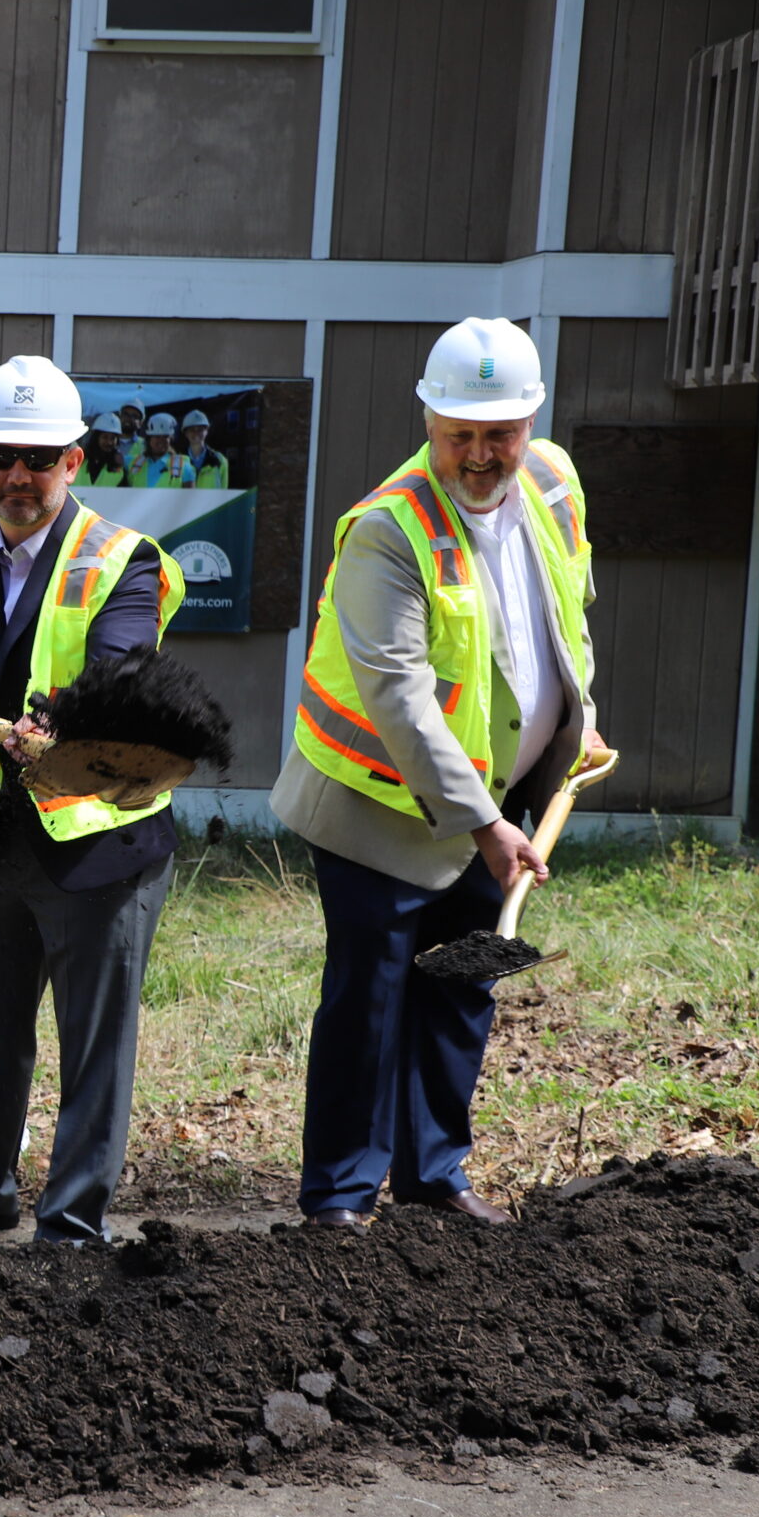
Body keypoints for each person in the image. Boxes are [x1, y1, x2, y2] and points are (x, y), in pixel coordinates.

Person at [276, 317, 607, 1231]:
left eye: (497, 434)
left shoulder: (551, 484)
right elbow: (399, 696)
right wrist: (483, 825)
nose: (478, 455)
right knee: (371, 998)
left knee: (462, 983)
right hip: (376, 806)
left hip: (495, 804)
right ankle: (341, 1198)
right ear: (427, 420)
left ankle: (434, 1179)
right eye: (459, 434)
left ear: (531, 423)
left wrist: (577, 718)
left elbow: (569, 606)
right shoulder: (386, 531)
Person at [0, 355, 185, 1244]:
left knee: (94, 1045)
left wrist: (45, 722)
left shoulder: (122, 561)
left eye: (41, 458)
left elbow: (121, 669)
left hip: (101, 843)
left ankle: (71, 1219)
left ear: (76, 461)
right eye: (3, 457)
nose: (20, 476)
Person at [180, 410, 231, 488]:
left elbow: (224, 491)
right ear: (186, 433)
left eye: (200, 429)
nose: (196, 432)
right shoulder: (177, 461)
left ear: (206, 431)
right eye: (192, 429)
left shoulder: (219, 460)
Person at [139, 412, 191, 486]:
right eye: (157, 436)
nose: (161, 440)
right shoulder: (133, 463)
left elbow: (190, 494)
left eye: (165, 436)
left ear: (171, 439)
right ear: (149, 439)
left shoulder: (184, 465)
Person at [84, 413, 131, 486]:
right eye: (105, 437)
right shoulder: (81, 461)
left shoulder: (119, 468)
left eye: (113, 438)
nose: (109, 442)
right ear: (96, 438)